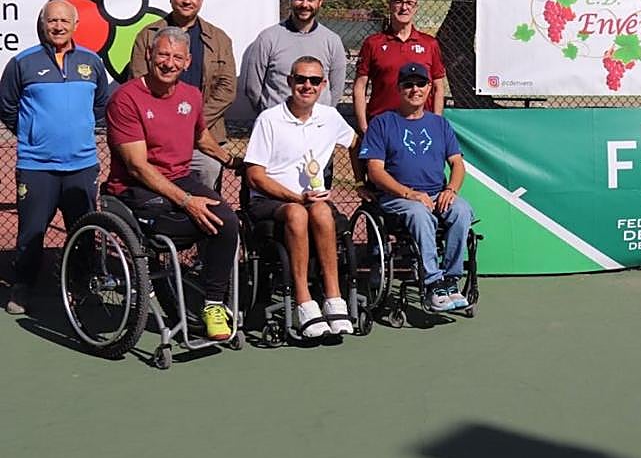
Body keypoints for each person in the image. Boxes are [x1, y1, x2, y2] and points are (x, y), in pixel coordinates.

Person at [105, 27, 243, 341]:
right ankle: (155, 280)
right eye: (163, 55)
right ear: (149, 56)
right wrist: (186, 201)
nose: (169, 63)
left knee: (228, 221)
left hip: (179, 178)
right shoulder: (125, 98)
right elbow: (137, 167)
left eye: (177, 57)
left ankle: (213, 304)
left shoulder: (191, 95)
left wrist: (231, 160)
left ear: (187, 61)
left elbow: (201, 138)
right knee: (184, 223)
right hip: (134, 186)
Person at [0, 0, 111, 315]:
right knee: (31, 232)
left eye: (64, 21)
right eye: (52, 21)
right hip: (37, 166)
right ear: (43, 24)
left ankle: (80, 284)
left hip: (82, 165)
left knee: (83, 230)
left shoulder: (92, 61)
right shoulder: (23, 63)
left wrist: (79, 127)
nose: (58, 26)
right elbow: (6, 106)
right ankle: (22, 287)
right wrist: (32, 131)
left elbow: (101, 104)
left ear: (76, 25)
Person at [244, 57, 358, 338]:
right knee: (298, 213)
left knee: (320, 212)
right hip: (270, 200)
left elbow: (356, 143)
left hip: (312, 200)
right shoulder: (269, 119)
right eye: (301, 79)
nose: (307, 86)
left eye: (314, 80)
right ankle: (303, 301)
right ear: (290, 81)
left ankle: (333, 298)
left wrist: (360, 181)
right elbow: (254, 176)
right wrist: (296, 197)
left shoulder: (330, 117)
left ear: (323, 85)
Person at [359, 62, 473, 313]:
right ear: (399, 89)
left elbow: (457, 164)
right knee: (419, 214)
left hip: (437, 193)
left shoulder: (440, 124)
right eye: (408, 85)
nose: (415, 89)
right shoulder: (382, 123)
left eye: (420, 84)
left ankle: (451, 280)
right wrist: (409, 193)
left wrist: (450, 190)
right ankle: (432, 283)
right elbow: (375, 171)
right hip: (397, 197)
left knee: (462, 211)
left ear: (429, 88)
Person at [129, 0, 237, 190]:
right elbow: (138, 82)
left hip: (202, 136)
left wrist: (191, 122)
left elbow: (227, 89)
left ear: (201, 0)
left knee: (209, 170)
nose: (187, 1)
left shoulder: (219, 39)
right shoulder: (148, 35)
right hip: (155, 136)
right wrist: (168, 123)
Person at [242, 0, 348, 114]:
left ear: (320, 1)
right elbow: (252, 88)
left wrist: (322, 117)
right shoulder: (267, 38)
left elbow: (336, 90)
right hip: (277, 127)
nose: (305, 5)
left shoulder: (332, 41)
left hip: (317, 128)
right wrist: (270, 116)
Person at [353, 0, 448, 135]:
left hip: (421, 128)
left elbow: (438, 87)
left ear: (415, 8)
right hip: (382, 126)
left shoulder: (430, 44)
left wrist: (435, 123)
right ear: (390, 6)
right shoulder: (373, 43)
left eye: (409, 3)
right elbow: (359, 87)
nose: (404, 8)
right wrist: (364, 127)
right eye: (399, 2)